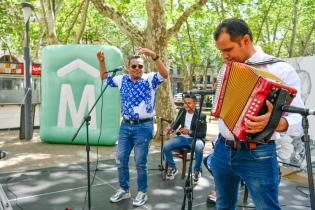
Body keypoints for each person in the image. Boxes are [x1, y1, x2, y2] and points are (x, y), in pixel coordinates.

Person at [210, 18, 304, 210]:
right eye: (221, 52)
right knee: (223, 205)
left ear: (245, 40)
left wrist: (276, 123)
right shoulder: (227, 68)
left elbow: (299, 118)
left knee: (267, 207)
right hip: (222, 148)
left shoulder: (280, 70)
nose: (224, 57)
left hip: (258, 154)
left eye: (228, 50)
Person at [96, 47, 168, 207]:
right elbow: (104, 79)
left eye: (140, 66)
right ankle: (124, 189)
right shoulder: (122, 79)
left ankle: (142, 192)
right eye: (134, 66)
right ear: (128, 67)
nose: (137, 69)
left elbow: (165, 74)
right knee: (120, 160)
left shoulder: (150, 79)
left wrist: (154, 56)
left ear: (144, 68)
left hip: (144, 126)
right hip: (125, 126)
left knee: (140, 162)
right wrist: (102, 62)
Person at [163, 94, 207, 183]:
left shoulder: (201, 115)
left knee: (199, 147)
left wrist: (189, 132)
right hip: (182, 138)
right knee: (166, 145)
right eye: (185, 103)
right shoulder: (182, 111)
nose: (186, 105)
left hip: (195, 138)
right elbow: (176, 122)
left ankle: (197, 171)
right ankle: (173, 168)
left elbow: (202, 134)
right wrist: (171, 129)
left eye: (189, 103)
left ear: (195, 103)